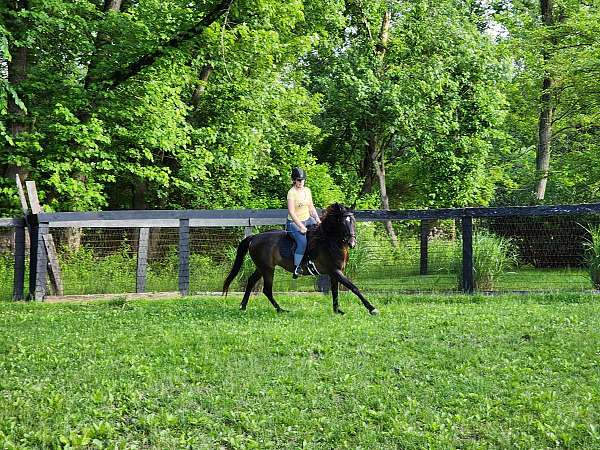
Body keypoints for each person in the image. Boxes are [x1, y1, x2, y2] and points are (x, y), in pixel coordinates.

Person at [286, 167, 321, 278]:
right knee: (302, 242)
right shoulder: (291, 193)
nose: (301, 182)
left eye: (302, 180)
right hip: (294, 223)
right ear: (294, 180)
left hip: (307, 219)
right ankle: (297, 267)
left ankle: (314, 259)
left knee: (320, 233)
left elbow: (311, 207)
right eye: (298, 180)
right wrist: (301, 226)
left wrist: (317, 219)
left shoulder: (307, 190)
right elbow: (291, 212)